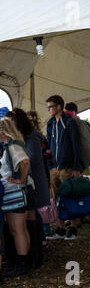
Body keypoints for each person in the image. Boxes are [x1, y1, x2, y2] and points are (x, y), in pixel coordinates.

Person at [0, 119, 35, 277]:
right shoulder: (12, 145)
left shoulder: (12, 146)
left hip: (15, 191)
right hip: (17, 191)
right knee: (20, 228)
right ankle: (24, 260)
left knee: (17, 229)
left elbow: (25, 162)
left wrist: (20, 179)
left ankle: (22, 264)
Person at [45, 95, 82, 241]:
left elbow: (75, 145)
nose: (48, 109)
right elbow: (48, 146)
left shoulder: (69, 121)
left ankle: (72, 228)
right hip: (54, 167)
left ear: (59, 106)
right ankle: (60, 228)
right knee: (54, 199)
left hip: (68, 167)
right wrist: (49, 165)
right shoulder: (50, 124)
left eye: (51, 106)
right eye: (47, 107)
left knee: (70, 197)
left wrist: (76, 167)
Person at [6, 109, 50, 222]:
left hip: (34, 180)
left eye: (11, 122)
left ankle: (37, 239)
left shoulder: (32, 137)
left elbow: (32, 158)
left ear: (18, 122)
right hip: (28, 180)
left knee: (31, 214)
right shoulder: (20, 137)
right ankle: (38, 237)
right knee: (30, 213)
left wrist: (15, 161)